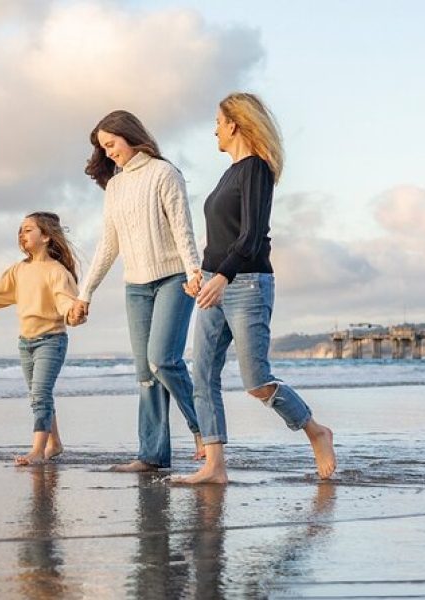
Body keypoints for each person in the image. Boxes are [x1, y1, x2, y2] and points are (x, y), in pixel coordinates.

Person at [175, 93, 336, 484]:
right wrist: (200, 274)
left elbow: (251, 238)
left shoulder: (256, 169)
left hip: (246, 285)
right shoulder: (227, 174)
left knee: (256, 381)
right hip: (215, 284)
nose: (214, 128)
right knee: (203, 375)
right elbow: (220, 238)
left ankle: (316, 431)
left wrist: (222, 276)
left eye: (218, 120)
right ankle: (214, 466)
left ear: (235, 123)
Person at [71, 110, 204, 473]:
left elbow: (183, 228)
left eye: (111, 144)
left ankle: (203, 430)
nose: (109, 153)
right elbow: (108, 245)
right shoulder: (115, 187)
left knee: (163, 360)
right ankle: (152, 455)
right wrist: (86, 293)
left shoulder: (165, 173)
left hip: (174, 279)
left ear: (129, 136)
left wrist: (194, 271)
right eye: (104, 148)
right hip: (136, 287)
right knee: (145, 373)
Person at [0, 212, 80, 465]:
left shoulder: (57, 271)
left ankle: (37, 451)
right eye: (20, 230)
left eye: (28, 229)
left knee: (40, 394)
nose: (22, 234)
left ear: (46, 236)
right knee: (39, 395)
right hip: (26, 342)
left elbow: (66, 301)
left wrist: (73, 313)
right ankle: (54, 444)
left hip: (51, 340)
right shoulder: (19, 270)